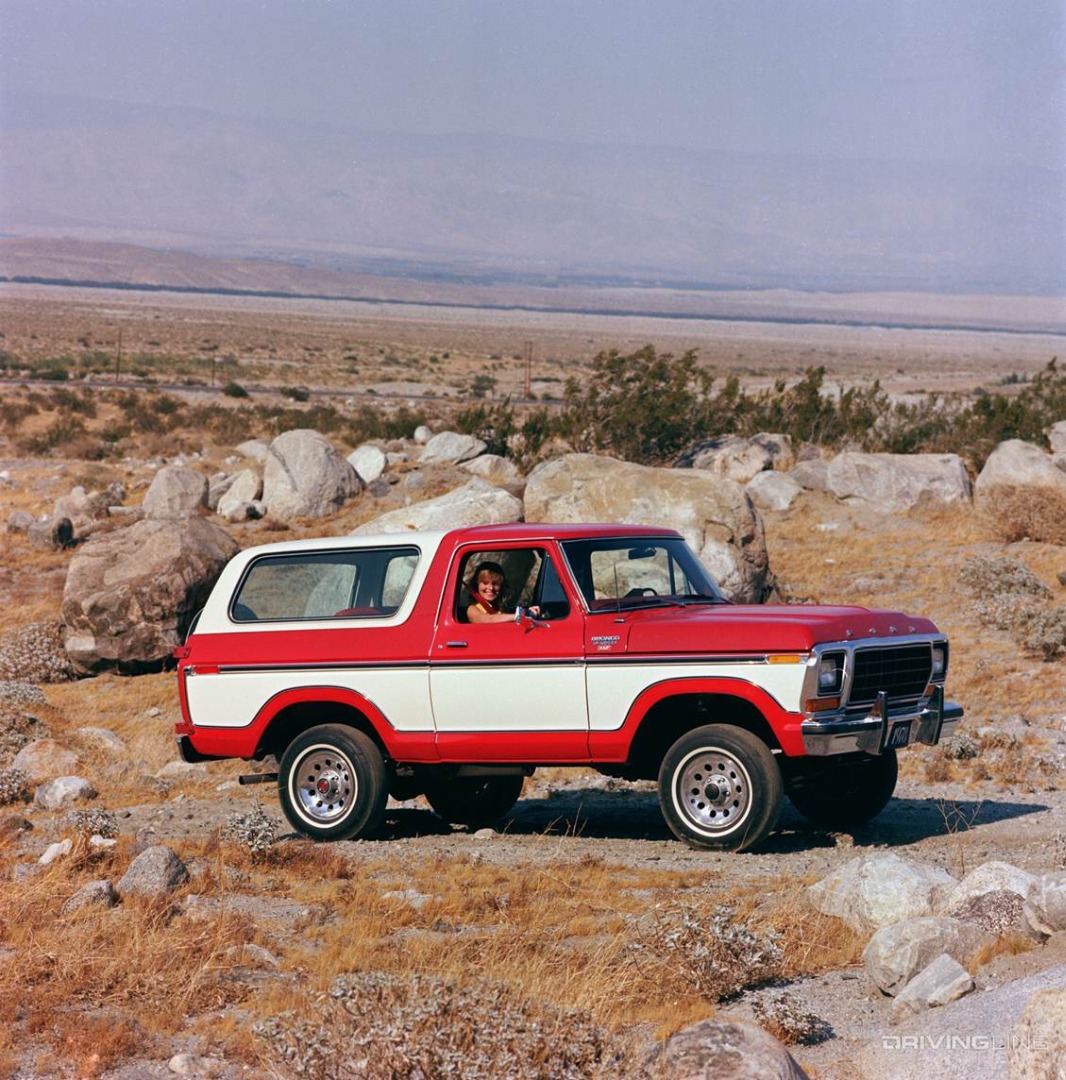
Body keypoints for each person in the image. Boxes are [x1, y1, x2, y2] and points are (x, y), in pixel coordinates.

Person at [466, 560, 540, 624]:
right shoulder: (472, 609)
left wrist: (529, 612)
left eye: (495, 584)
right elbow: (488, 619)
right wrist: (520, 615)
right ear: (477, 584)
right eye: (485, 583)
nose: (491, 588)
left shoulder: (501, 608)